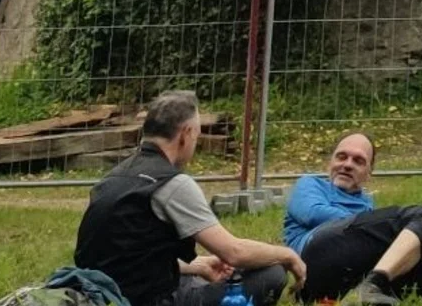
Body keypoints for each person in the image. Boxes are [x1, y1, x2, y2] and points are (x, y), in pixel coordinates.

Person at [74, 90, 304, 306]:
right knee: (271, 273)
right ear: (185, 135)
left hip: (103, 294)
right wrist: (288, 255)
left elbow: (124, 258)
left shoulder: (114, 177)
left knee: (206, 275)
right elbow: (234, 252)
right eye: (196, 136)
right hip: (152, 300)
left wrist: (198, 265)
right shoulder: (171, 183)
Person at [284, 133, 422, 305]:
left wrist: (404, 244)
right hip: (315, 262)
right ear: (330, 162)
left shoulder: (367, 207)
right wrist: (398, 232)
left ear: (369, 174)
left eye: (358, 161)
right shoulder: (310, 184)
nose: (347, 164)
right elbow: (313, 213)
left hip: (354, 276)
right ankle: (376, 282)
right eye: (341, 157)